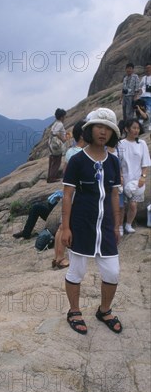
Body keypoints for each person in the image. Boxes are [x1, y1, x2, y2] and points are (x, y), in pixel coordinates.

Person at [62, 108, 123, 335]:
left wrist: (116, 225)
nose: (103, 132)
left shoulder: (113, 162)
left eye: (108, 128)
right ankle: (74, 311)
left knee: (112, 272)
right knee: (76, 271)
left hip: (105, 226)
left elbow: (115, 195)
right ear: (90, 129)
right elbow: (67, 195)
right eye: (99, 126)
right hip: (80, 224)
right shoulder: (78, 160)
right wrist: (65, 227)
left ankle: (104, 310)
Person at [117, 119, 150, 234]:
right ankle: (119, 226)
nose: (136, 130)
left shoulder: (142, 144)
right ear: (126, 129)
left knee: (133, 204)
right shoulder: (120, 144)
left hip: (137, 180)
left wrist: (143, 176)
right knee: (121, 206)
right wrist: (120, 176)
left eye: (138, 128)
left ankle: (128, 224)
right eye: (134, 128)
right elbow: (118, 163)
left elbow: (145, 162)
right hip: (123, 179)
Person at [47, 108, 69, 183]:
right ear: (61, 117)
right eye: (64, 116)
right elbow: (55, 133)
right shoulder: (60, 124)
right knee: (57, 161)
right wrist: (62, 139)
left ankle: (50, 176)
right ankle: (52, 177)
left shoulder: (55, 123)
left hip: (51, 144)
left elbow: (52, 132)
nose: (65, 118)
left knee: (52, 160)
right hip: (56, 145)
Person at [138, 62, 151, 130]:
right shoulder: (144, 78)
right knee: (141, 109)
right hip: (143, 96)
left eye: (149, 68)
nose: (148, 69)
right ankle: (141, 123)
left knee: (149, 110)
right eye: (147, 68)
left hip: (149, 97)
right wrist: (140, 90)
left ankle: (149, 124)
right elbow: (140, 86)